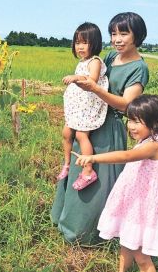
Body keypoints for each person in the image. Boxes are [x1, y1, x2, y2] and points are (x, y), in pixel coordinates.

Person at [51, 12, 149, 244]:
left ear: (138, 36)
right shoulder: (111, 57)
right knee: (78, 169)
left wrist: (94, 90)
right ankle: (67, 222)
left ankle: (90, 234)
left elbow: (126, 105)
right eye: (113, 33)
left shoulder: (139, 68)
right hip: (88, 120)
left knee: (99, 184)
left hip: (108, 127)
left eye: (124, 33)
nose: (117, 39)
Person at [73, 94, 158, 272]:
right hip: (133, 201)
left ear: (154, 122)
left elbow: (126, 156)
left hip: (141, 205)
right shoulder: (146, 140)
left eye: (137, 121)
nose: (131, 126)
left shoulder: (155, 145)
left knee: (141, 258)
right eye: (130, 120)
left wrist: (92, 157)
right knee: (125, 244)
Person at [58, 22, 109, 191]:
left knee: (81, 135)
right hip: (78, 107)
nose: (80, 47)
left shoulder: (95, 61)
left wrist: (76, 77)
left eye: (84, 42)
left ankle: (88, 170)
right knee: (66, 132)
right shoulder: (82, 61)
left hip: (88, 107)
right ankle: (66, 163)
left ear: (94, 43)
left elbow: (92, 80)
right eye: (77, 42)